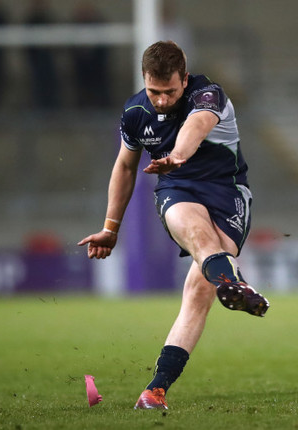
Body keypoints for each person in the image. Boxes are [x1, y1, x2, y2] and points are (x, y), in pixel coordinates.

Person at [77, 41, 269, 410]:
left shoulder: (208, 94)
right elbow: (124, 166)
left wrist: (177, 155)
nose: (162, 100)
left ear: (185, 79)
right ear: (144, 80)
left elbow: (196, 126)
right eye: (154, 91)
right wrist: (110, 227)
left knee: (198, 294)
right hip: (176, 188)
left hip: (227, 192)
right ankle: (231, 284)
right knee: (196, 235)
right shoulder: (135, 112)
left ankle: (157, 387)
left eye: (170, 92)